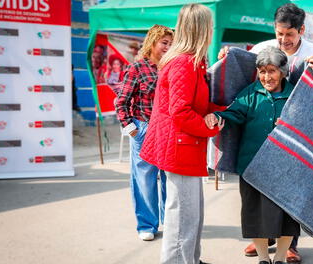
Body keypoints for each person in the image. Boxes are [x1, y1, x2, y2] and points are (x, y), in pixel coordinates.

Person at [219, 3, 313, 262]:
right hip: (262, 128)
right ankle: (263, 239)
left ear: (301, 30)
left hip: (300, 131)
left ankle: (290, 245)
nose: (284, 40)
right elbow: (242, 70)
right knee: (259, 194)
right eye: (280, 34)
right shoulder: (264, 48)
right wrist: (226, 57)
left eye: (289, 34)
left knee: (292, 189)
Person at [139, 4, 224, 264]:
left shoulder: (192, 61)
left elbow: (197, 103)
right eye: (209, 26)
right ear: (200, 29)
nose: (212, 30)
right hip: (179, 146)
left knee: (192, 214)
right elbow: (180, 111)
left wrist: (222, 112)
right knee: (182, 217)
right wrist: (211, 125)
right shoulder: (184, 63)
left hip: (184, 145)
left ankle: (191, 260)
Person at [205, 46, 300, 264]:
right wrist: (218, 116)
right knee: (254, 213)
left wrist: (291, 126)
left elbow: (306, 124)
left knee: (288, 215)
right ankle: (264, 258)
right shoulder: (250, 92)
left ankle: (280, 258)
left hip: (286, 166)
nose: (267, 77)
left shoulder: (295, 94)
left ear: (283, 72)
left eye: (272, 71)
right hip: (252, 165)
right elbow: (233, 112)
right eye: (263, 71)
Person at [115, 24, 173, 242]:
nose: (168, 47)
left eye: (171, 43)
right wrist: (132, 129)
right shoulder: (137, 68)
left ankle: (170, 220)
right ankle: (147, 224)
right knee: (144, 178)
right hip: (144, 128)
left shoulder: (171, 67)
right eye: (164, 43)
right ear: (152, 43)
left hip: (168, 128)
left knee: (170, 177)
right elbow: (121, 102)